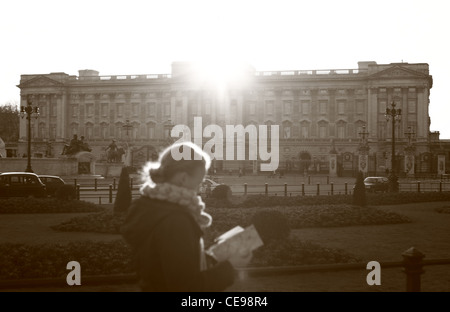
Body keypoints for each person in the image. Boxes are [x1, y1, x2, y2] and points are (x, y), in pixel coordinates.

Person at [121, 142, 252, 292]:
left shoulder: (151, 206)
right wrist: (231, 267)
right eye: (199, 182)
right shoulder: (175, 220)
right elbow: (187, 288)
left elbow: (169, 265)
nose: (198, 190)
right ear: (183, 178)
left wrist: (214, 256)